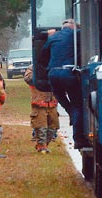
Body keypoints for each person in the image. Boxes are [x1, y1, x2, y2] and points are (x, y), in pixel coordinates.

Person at [40, 19, 90, 149]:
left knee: (60, 96)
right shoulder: (76, 34)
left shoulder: (54, 37)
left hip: (53, 74)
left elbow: (42, 56)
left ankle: (71, 113)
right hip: (68, 73)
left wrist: (49, 68)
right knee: (77, 104)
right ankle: (78, 139)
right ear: (73, 27)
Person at [24, 65, 60, 154]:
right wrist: (40, 73)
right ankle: (41, 146)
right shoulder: (33, 68)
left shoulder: (54, 66)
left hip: (52, 104)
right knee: (41, 127)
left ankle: (45, 145)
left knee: (53, 127)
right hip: (39, 104)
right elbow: (28, 79)